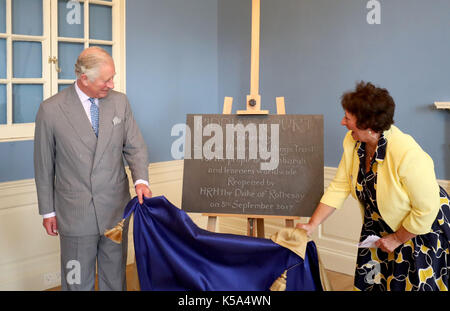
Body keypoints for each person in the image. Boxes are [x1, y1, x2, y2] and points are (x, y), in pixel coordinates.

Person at [297, 81, 449, 291]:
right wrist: (312, 225)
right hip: (377, 230)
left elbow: (426, 209)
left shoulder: (407, 153)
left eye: (348, 118)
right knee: (373, 283)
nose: (342, 122)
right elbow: (340, 186)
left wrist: (397, 238)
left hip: (417, 229)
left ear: (369, 126)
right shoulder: (353, 142)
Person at [34, 47, 152, 290]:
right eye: (106, 80)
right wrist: (48, 212)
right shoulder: (51, 110)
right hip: (76, 215)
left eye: (113, 77)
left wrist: (141, 180)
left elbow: (135, 147)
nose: (111, 84)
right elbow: (44, 165)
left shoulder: (120, 102)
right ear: (84, 78)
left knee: (115, 277)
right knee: (76, 282)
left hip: (115, 213)